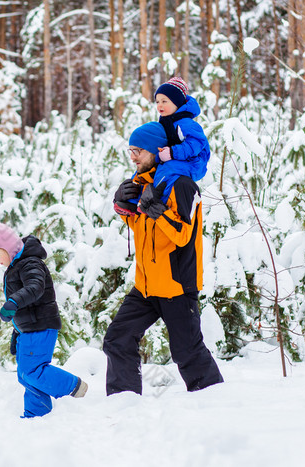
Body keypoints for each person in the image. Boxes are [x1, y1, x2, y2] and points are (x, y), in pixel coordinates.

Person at [105, 122, 223, 396]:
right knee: (117, 339)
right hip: (146, 286)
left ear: (158, 151)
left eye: (138, 151)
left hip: (176, 285)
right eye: (131, 151)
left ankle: (215, 403)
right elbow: (144, 232)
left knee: (187, 353)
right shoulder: (144, 183)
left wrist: (158, 211)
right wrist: (125, 210)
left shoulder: (182, 185)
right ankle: (124, 402)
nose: (133, 157)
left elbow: (183, 234)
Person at [0, 223, 88, 417]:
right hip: (29, 329)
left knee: (32, 371)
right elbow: (27, 306)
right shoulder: (17, 266)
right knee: (26, 375)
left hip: (41, 326)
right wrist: (17, 332)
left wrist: (13, 302)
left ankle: (74, 387)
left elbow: (35, 287)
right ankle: (37, 414)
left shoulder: (30, 263)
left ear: (7, 247)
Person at [151, 76, 210, 203]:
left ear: (176, 103)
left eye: (164, 101)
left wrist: (172, 152)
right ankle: (132, 201)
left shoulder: (186, 124)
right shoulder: (167, 122)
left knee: (168, 169)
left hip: (195, 162)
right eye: (157, 102)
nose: (159, 105)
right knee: (149, 167)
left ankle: (161, 202)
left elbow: (197, 143)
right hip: (180, 160)